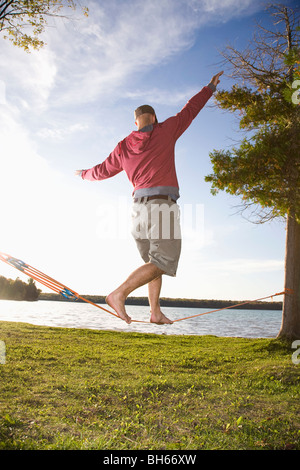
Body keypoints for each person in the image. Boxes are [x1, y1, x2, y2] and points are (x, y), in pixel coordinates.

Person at [75, 71, 223, 324]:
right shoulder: (166, 130)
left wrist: (83, 174)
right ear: (154, 117)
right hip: (161, 205)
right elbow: (191, 109)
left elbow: (101, 171)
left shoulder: (123, 146)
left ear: (135, 122)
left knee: (152, 265)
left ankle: (155, 312)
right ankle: (118, 293)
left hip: (137, 212)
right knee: (163, 262)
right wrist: (209, 88)